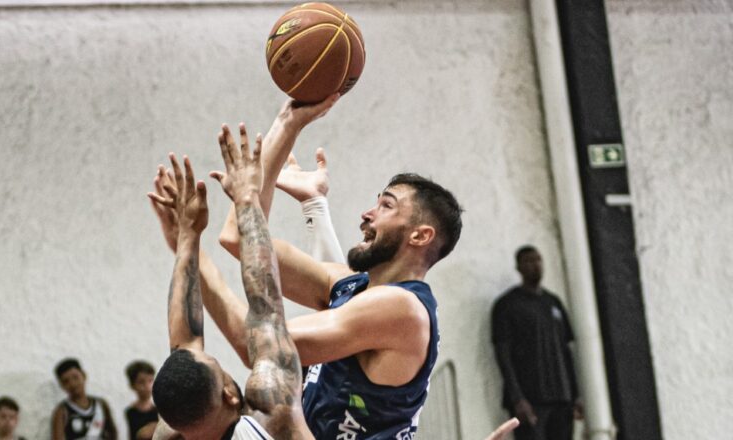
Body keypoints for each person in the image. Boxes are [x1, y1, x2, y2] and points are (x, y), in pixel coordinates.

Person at [148, 102, 517, 439]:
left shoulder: (402, 311)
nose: (367, 213)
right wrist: (289, 122)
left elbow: (258, 346)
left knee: (259, 392)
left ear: (421, 235)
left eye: (386, 206)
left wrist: (245, 198)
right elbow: (237, 238)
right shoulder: (352, 288)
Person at [145, 129, 312, 439]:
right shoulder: (274, 418)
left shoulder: (170, 430)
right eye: (221, 370)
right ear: (229, 395)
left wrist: (187, 237)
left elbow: (184, 344)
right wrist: (247, 197)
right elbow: (266, 310)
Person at [491, 245, 583, 440]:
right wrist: (518, 399)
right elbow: (503, 355)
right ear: (519, 267)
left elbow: (567, 351)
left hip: (562, 398)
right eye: (529, 261)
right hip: (531, 401)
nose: (535, 265)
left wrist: (576, 395)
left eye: (538, 260)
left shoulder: (553, 302)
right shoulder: (507, 305)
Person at [51, 358, 118, 440]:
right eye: (66, 381)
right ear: (62, 386)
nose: (72, 384)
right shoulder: (62, 411)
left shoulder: (101, 405)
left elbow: (113, 433)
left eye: (75, 377)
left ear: (84, 376)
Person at [124, 361, 158, 440]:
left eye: (150, 381)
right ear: (132, 385)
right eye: (141, 382)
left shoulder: (160, 412)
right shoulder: (129, 413)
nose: (147, 386)